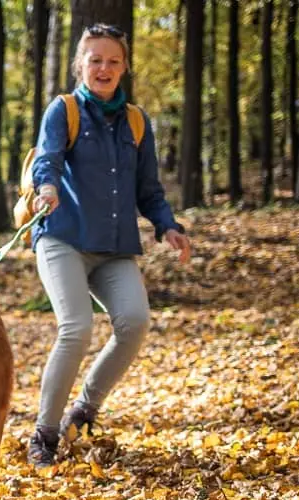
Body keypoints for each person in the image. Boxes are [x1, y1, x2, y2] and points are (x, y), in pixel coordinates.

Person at [26, 23, 191, 468]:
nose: (103, 68)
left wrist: (167, 226)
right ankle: (44, 433)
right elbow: (48, 159)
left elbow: (149, 189)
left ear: (124, 68)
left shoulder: (137, 122)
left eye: (112, 60)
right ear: (81, 64)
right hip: (63, 238)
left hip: (115, 248)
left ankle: (83, 411)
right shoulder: (63, 111)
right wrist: (47, 188)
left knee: (134, 322)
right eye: (95, 60)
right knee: (76, 328)